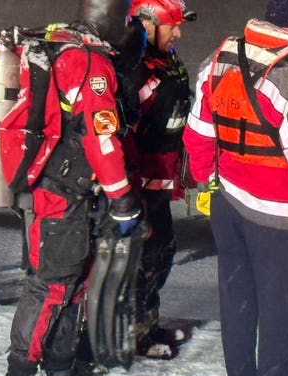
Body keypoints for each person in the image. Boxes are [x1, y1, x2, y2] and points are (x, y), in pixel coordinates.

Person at [182, 0, 288, 374]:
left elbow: (197, 135)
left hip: (228, 206)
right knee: (280, 319)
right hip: (281, 222)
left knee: (237, 302)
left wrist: (207, 183)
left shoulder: (218, 59)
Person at [4, 1, 144, 375]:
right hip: (63, 193)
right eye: (127, 20)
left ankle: (61, 364)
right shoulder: (88, 62)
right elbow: (101, 136)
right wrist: (122, 196)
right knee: (52, 286)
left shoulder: (63, 49)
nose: (130, 28)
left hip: (64, 189)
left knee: (74, 284)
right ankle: (20, 368)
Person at [123, 0, 195, 359]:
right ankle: (133, 333)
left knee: (160, 252)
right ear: (147, 24)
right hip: (140, 183)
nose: (178, 33)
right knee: (145, 256)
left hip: (162, 176)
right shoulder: (134, 69)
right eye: (172, 26)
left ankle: (145, 325)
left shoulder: (165, 61)